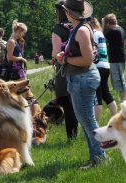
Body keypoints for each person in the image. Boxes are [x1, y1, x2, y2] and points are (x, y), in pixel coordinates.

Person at [57, 0, 105, 169]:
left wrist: (66, 59)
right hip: (79, 79)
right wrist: (66, 54)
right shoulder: (77, 29)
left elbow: (87, 59)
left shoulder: (82, 30)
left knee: (88, 120)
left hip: (83, 79)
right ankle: (95, 157)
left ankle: (100, 157)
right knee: (85, 120)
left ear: (70, 13)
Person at [51, 0, 78, 140]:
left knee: (67, 104)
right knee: (75, 103)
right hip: (78, 68)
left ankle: (71, 137)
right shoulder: (75, 26)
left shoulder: (58, 29)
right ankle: (77, 134)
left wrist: (54, 57)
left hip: (63, 69)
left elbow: (55, 53)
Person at [88, 18, 117, 121]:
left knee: (97, 97)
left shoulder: (93, 34)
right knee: (106, 94)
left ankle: (96, 124)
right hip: (106, 66)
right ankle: (116, 118)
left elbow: (93, 51)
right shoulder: (101, 34)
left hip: (97, 67)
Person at [103, 14, 126, 102]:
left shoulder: (113, 31)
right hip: (120, 57)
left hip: (116, 59)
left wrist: (103, 24)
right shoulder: (120, 29)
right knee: (120, 79)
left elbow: (102, 34)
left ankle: (123, 101)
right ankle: (123, 100)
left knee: (119, 80)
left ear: (108, 23)